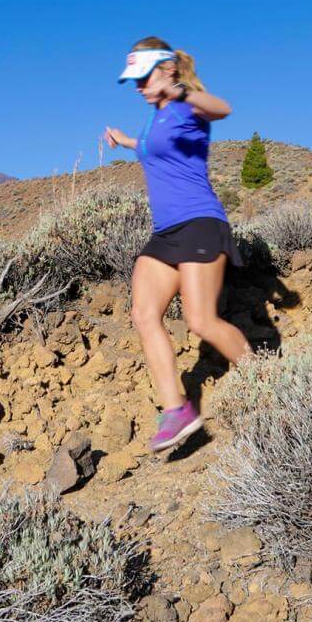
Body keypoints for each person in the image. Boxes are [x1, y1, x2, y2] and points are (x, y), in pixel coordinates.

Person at [103, 37, 251, 453]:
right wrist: (126, 141)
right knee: (143, 312)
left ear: (166, 69)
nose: (136, 86)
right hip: (166, 232)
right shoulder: (154, 117)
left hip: (200, 224)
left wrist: (179, 91)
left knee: (201, 322)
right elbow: (153, 149)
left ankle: (267, 382)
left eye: (142, 76)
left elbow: (224, 109)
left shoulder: (188, 104)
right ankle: (178, 410)